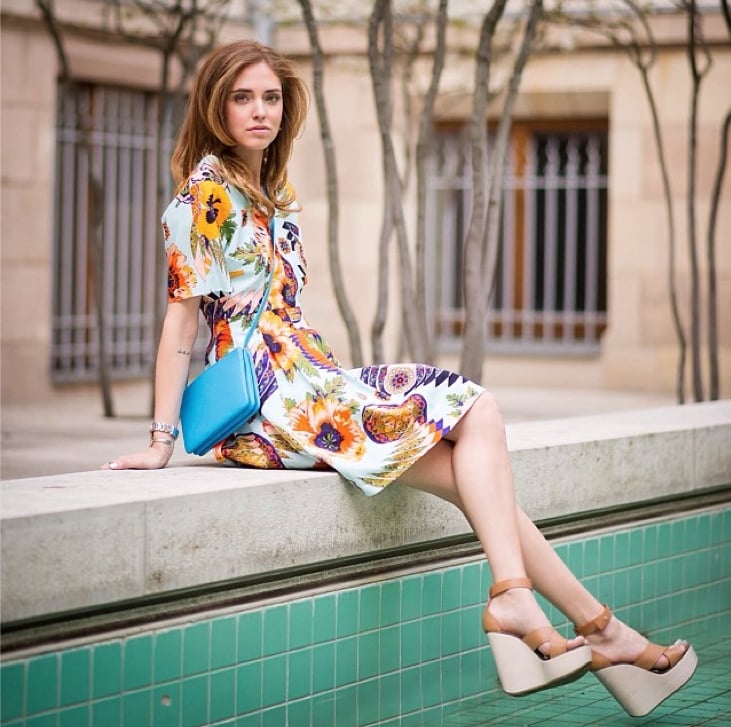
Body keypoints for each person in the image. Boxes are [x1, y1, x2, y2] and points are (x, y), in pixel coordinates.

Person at [103, 40, 697, 716]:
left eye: (270, 97)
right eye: (242, 98)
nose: (260, 111)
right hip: (269, 406)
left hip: (312, 379)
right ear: (215, 106)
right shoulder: (202, 195)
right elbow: (181, 324)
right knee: (475, 456)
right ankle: (581, 624)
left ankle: (564, 617)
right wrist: (158, 440)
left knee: (476, 426)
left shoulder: (274, 192)